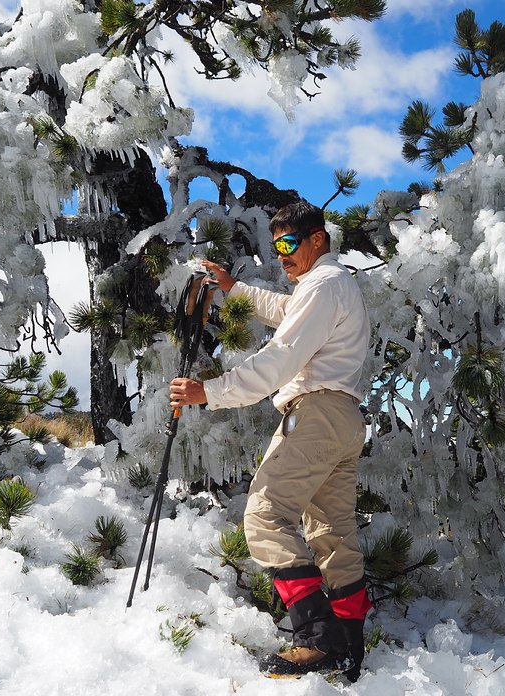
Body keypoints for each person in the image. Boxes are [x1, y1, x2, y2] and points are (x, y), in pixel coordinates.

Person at [169, 201, 371, 680]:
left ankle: (316, 640)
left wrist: (211, 391)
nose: (280, 255)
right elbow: (283, 310)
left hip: (316, 415)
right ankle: (348, 647)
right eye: (275, 245)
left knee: (264, 515)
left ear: (317, 239)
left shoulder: (323, 285)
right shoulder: (330, 287)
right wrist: (233, 289)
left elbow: (282, 356)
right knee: (333, 533)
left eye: (288, 244)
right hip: (343, 420)